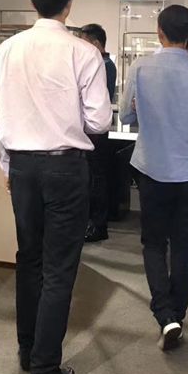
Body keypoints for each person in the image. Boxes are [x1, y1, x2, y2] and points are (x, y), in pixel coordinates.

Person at [0, 0, 112, 374]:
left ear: (31, 1)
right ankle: (44, 368)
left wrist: (7, 165)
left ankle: (28, 350)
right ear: (70, 3)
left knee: (29, 259)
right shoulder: (84, 52)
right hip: (65, 167)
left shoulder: (8, 48)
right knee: (59, 268)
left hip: (22, 165)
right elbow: (99, 121)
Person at [120, 4, 188, 352]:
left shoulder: (140, 67)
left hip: (152, 168)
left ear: (159, 32)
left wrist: (145, 112)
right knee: (183, 246)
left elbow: (126, 114)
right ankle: (176, 313)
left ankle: (165, 315)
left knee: (153, 243)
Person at [78, 23, 117, 243]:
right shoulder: (101, 64)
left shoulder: (104, 65)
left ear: (95, 43)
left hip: (95, 133)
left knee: (97, 178)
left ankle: (98, 224)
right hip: (90, 131)